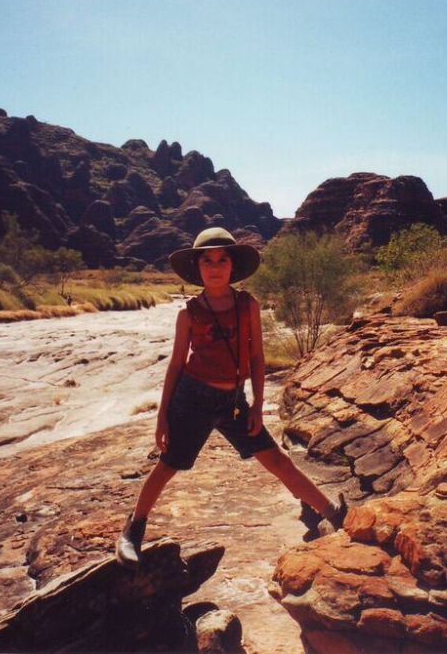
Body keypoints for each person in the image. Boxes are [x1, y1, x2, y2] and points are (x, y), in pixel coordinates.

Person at [116, 227, 346, 567]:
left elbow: (256, 357)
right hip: (192, 398)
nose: (215, 266)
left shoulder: (247, 305)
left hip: (233, 403)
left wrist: (256, 404)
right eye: (207, 260)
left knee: (276, 459)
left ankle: (331, 512)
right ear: (197, 268)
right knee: (168, 466)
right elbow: (177, 363)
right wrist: (162, 416)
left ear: (232, 266)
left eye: (222, 259)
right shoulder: (189, 313)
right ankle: (132, 529)